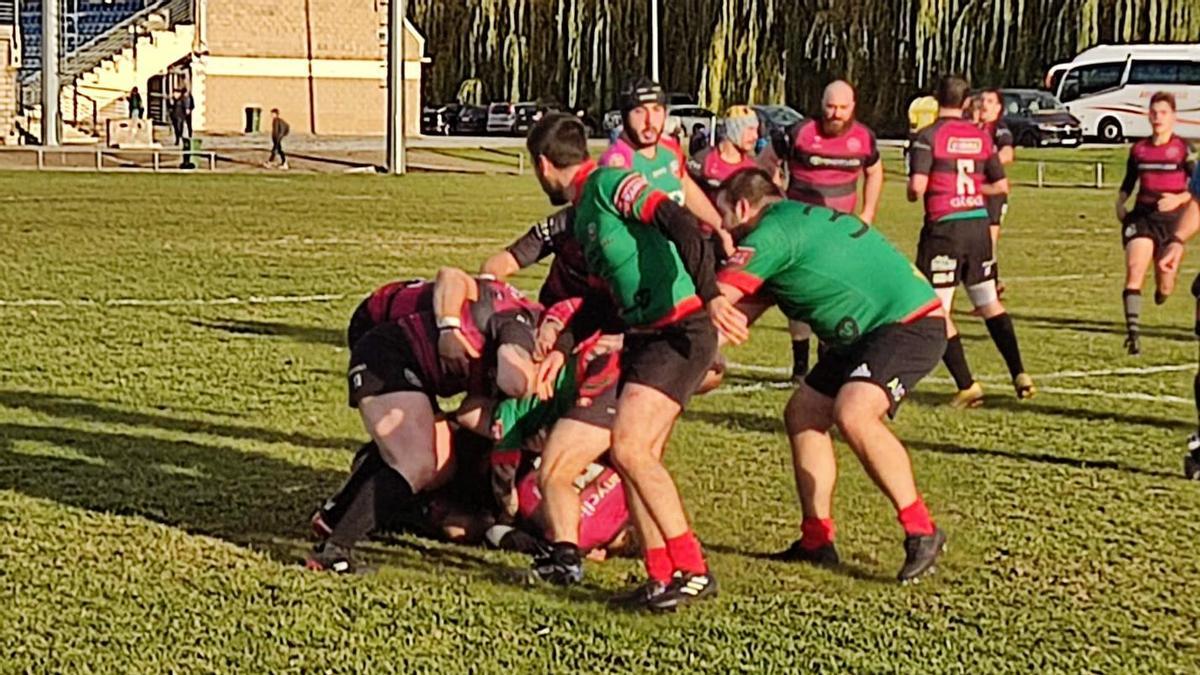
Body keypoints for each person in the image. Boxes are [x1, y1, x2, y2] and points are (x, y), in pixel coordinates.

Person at [526, 111, 746, 611]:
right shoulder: (584, 216)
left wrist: (710, 295)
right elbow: (605, 303)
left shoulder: (608, 183)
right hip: (646, 335)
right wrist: (562, 346)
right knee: (632, 457)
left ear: (543, 165)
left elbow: (681, 222)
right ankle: (660, 573)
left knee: (629, 449)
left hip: (681, 326)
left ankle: (691, 569)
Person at [714, 169, 947, 582]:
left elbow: (716, 302)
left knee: (854, 412)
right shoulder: (794, 221)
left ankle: (922, 529)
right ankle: (816, 540)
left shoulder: (769, 235)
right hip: (870, 329)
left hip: (906, 323)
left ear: (744, 207)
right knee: (804, 413)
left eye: (724, 218)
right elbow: (738, 313)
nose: (724, 232)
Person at [305, 271, 541, 572]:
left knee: (438, 463)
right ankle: (334, 551)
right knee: (416, 462)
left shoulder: (521, 327)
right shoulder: (517, 325)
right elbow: (514, 378)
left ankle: (335, 517)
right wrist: (448, 328)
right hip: (388, 355)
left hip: (405, 359)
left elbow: (470, 411)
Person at [908, 75, 1035, 408]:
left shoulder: (928, 136)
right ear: (966, 103)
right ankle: (1019, 372)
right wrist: (971, 192)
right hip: (978, 227)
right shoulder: (980, 137)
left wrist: (932, 187)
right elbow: (1001, 186)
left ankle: (967, 385)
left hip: (944, 230)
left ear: (937, 99)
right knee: (989, 302)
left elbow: (916, 188)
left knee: (937, 309)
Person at [776, 80, 883, 382]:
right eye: (830, 106)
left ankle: (826, 361)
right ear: (821, 104)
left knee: (831, 295)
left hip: (839, 233)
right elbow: (767, 162)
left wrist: (868, 211)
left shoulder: (864, 138)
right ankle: (799, 366)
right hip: (800, 231)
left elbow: (874, 171)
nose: (835, 114)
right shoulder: (799, 132)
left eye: (842, 108)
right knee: (798, 295)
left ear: (853, 107)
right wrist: (779, 201)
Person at [1115, 92, 1198, 355]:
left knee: (1165, 280)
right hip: (1143, 217)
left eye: (1163, 112)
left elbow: (1195, 191)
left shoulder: (1183, 149)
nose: (1158, 117)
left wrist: (1177, 200)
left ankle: (1163, 292)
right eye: (1154, 112)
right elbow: (1129, 181)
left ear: (1173, 116)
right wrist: (1120, 201)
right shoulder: (1139, 149)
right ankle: (1133, 334)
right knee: (1135, 268)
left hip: (1173, 221)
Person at [977, 88, 1016, 295]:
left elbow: (1008, 153)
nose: (984, 104)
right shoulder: (973, 128)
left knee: (987, 241)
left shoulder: (998, 128)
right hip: (973, 191)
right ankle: (992, 286)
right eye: (982, 100)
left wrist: (984, 165)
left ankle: (991, 290)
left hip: (993, 193)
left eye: (990, 101)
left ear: (999, 108)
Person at [686, 106, 764, 200]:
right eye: (750, 129)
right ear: (733, 130)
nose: (755, 136)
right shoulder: (702, 160)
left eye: (756, 130)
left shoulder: (753, 169)